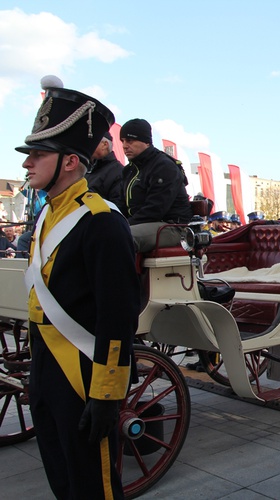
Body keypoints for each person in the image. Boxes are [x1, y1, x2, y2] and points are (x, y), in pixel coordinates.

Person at [16, 80, 140, 499]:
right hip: (47, 373)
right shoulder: (47, 216)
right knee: (62, 480)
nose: (27, 164)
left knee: (94, 487)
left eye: (37, 155)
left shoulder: (102, 221)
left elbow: (117, 314)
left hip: (84, 375)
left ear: (70, 161)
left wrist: (107, 394)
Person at [118, 118, 192, 252]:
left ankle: (121, 273)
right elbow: (121, 204)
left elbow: (155, 209)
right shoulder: (128, 170)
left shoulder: (163, 166)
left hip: (172, 226)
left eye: (130, 140)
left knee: (118, 236)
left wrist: (122, 225)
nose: (124, 145)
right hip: (143, 223)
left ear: (146, 141)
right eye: (122, 141)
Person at [85, 130, 123, 205]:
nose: (86, 145)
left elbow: (117, 205)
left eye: (91, 141)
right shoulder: (87, 168)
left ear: (105, 145)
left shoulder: (118, 171)